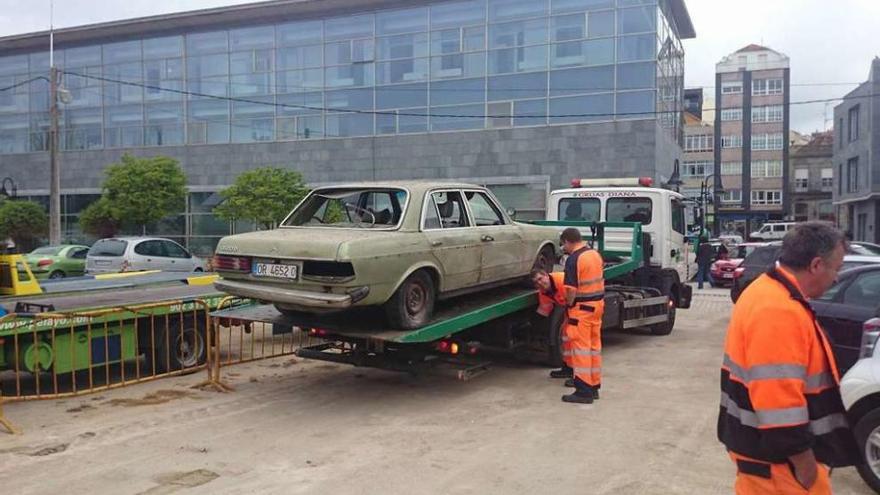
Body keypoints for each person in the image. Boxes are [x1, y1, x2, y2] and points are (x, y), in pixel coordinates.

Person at [718, 222, 860, 494]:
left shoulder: (767, 291)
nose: (837, 278)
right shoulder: (778, 310)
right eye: (837, 268)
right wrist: (804, 464)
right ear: (816, 265)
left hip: (766, 458)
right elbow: (777, 402)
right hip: (779, 467)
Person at [560, 227, 604, 404]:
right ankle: (593, 386)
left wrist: (568, 304)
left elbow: (571, 290)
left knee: (581, 350)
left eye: (563, 245)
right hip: (597, 306)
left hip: (582, 311)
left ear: (568, 241)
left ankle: (583, 391)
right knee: (593, 348)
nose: (564, 248)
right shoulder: (594, 254)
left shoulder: (574, 259)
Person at [531, 269, 571, 378]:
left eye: (540, 279)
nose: (539, 283)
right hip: (567, 309)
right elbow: (544, 309)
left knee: (575, 340)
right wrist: (533, 325)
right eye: (536, 282)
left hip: (577, 309)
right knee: (566, 339)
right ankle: (568, 368)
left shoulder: (562, 280)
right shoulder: (543, 293)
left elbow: (574, 297)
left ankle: (576, 373)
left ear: (546, 275)